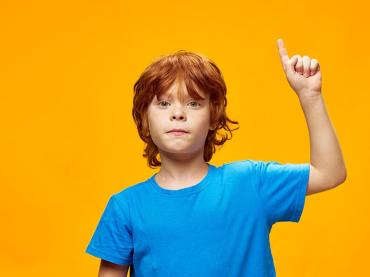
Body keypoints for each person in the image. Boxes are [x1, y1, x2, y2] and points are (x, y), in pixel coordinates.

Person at [85, 38, 347, 277]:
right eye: (163, 103)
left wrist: (310, 97)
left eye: (193, 103)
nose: (178, 113)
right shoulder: (125, 207)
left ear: (213, 116)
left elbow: (329, 173)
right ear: (144, 118)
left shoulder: (250, 183)